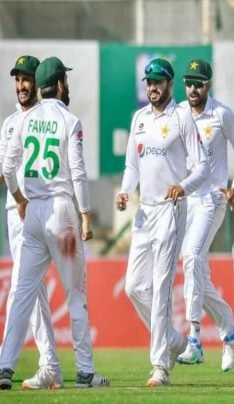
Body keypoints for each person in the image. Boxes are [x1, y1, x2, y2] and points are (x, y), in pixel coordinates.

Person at [0, 56, 109, 389]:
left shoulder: (25, 119)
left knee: (21, 293)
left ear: (40, 85)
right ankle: (85, 371)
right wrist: (86, 215)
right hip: (61, 214)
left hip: (32, 214)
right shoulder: (70, 121)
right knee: (75, 294)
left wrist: (19, 198)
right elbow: (77, 172)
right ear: (60, 84)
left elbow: (8, 168)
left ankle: (5, 367)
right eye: (66, 81)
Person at [116, 58, 209, 387]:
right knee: (133, 287)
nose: (152, 87)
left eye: (158, 81)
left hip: (171, 209)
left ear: (170, 84)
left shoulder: (182, 117)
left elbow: (203, 166)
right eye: (149, 82)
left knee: (160, 287)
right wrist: (125, 191)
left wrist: (183, 186)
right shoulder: (139, 118)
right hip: (145, 212)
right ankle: (174, 341)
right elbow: (132, 166)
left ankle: (160, 367)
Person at [176, 59, 234, 371]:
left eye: (199, 83)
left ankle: (193, 339)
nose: (193, 89)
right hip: (187, 200)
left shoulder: (221, 114)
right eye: (189, 83)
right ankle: (231, 330)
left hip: (212, 199)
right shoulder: (179, 113)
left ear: (209, 85)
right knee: (197, 274)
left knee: (192, 258)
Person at [0, 55, 63, 390]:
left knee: (24, 288)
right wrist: (17, 196)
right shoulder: (10, 123)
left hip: (40, 211)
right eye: (17, 80)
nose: (21, 86)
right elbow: (4, 170)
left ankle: (13, 364)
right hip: (16, 212)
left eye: (26, 79)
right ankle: (48, 364)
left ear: (38, 83)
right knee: (31, 289)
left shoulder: (48, 119)